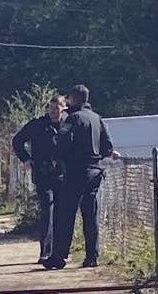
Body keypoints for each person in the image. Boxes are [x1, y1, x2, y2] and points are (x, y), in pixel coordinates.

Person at [47, 84, 116, 269]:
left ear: (73, 98)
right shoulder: (98, 119)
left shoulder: (73, 119)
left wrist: (57, 158)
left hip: (76, 172)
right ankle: (92, 256)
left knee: (65, 214)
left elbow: (63, 142)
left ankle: (59, 257)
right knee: (90, 214)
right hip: (95, 172)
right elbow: (108, 146)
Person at [12, 97, 67, 264]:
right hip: (43, 174)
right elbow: (17, 141)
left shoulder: (69, 124)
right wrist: (26, 159)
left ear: (63, 109)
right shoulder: (37, 125)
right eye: (51, 109)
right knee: (47, 211)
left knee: (61, 213)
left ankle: (59, 252)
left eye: (56, 109)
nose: (53, 112)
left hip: (63, 174)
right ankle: (45, 251)